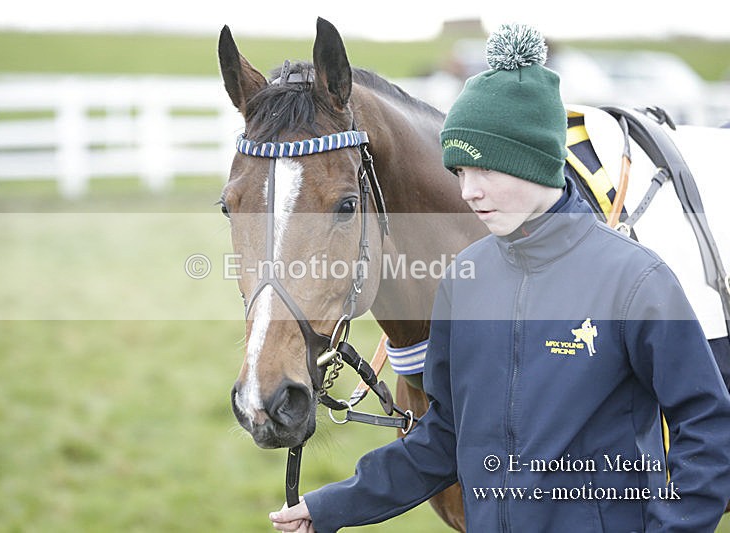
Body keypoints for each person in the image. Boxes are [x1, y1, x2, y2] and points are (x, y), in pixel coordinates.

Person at [270, 24, 730, 532]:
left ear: (534, 161)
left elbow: (708, 427)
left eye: (485, 170)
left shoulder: (637, 281)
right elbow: (444, 435)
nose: (469, 191)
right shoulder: (463, 281)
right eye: (460, 173)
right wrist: (335, 506)